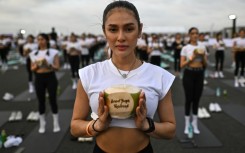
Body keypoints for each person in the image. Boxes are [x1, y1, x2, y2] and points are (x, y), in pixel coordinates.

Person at [70, 1, 176, 153]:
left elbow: (170, 129)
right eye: (113, 29)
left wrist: (146, 125)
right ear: (104, 32)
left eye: (129, 29)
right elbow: (75, 127)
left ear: (140, 30)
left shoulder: (159, 76)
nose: (121, 37)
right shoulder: (89, 74)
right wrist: (97, 125)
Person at [29, 33, 61, 134]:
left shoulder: (53, 52)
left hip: (50, 77)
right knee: (41, 101)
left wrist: (48, 64)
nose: (40, 41)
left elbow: (57, 67)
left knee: (52, 99)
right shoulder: (33, 53)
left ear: (47, 40)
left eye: (42, 39)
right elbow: (32, 68)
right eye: (38, 39)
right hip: (39, 78)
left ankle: (56, 122)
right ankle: (42, 123)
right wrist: (37, 66)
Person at [180, 27, 207, 135]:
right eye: (193, 33)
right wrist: (192, 57)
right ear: (189, 35)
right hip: (189, 74)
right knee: (189, 99)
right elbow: (181, 65)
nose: (195, 35)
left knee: (196, 99)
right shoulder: (185, 48)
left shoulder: (203, 47)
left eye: (196, 33)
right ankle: (187, 124)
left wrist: (202, 57)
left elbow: (205, 64)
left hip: (199, 73)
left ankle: (195, 123)